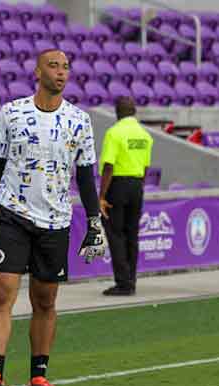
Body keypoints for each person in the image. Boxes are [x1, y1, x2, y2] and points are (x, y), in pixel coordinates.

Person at [0, 49, 106, 386]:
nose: (60, 73)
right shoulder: (12, 113)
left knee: (45, 301)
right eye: (53, 66)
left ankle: (38, 376)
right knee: (2, 291)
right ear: (37, 71)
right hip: (13, 214)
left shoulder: (79, 119)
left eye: (65, 68)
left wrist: (94, 221)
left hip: (56, 220)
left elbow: (86, 175)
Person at [98, 96, 154, 296]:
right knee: (132, 234)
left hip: (118, 185)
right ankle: (131, 280)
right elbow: (146, 166)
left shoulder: (114, 133)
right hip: (137, 185)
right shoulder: (145, 135)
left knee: (115, 234)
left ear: (117, 112)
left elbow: (108, 166)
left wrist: (102, 195)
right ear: (134, 111)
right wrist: (139, 186)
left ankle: (123, 283)